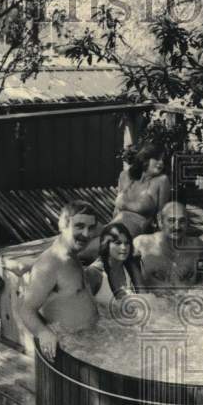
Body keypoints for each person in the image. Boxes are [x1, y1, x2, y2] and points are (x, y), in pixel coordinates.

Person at [19, 201, 99, 359]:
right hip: (71, 349)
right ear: (63, 225)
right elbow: (26, 310)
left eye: (91, 228)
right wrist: (44, 333)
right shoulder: (51, 263)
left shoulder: (72, 255)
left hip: (89, 341)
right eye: (79, 226)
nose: (86, 234)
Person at [134, 201, 203, 288]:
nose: (177, 227)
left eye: (182, 221)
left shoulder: (196, 246)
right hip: (154, 296)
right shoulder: (141, 244)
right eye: (171, 220)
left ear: (187, 223)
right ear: (160, 222)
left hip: (188, 295)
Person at [113, 142, 172, 237]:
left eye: (163, 160)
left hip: (137, 232)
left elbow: (161, 215)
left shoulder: (162, 181)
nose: (161, 163)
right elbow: (116, 210)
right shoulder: (125, 176)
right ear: (145, 158)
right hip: (115, 225)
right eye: (157, 158)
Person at [87, 222, 143, 306]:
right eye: (118, 243)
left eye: (127, 243)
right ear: (106, 244)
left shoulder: (131, 266)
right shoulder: (94, 272)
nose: (124, 248)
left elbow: (146, 299)